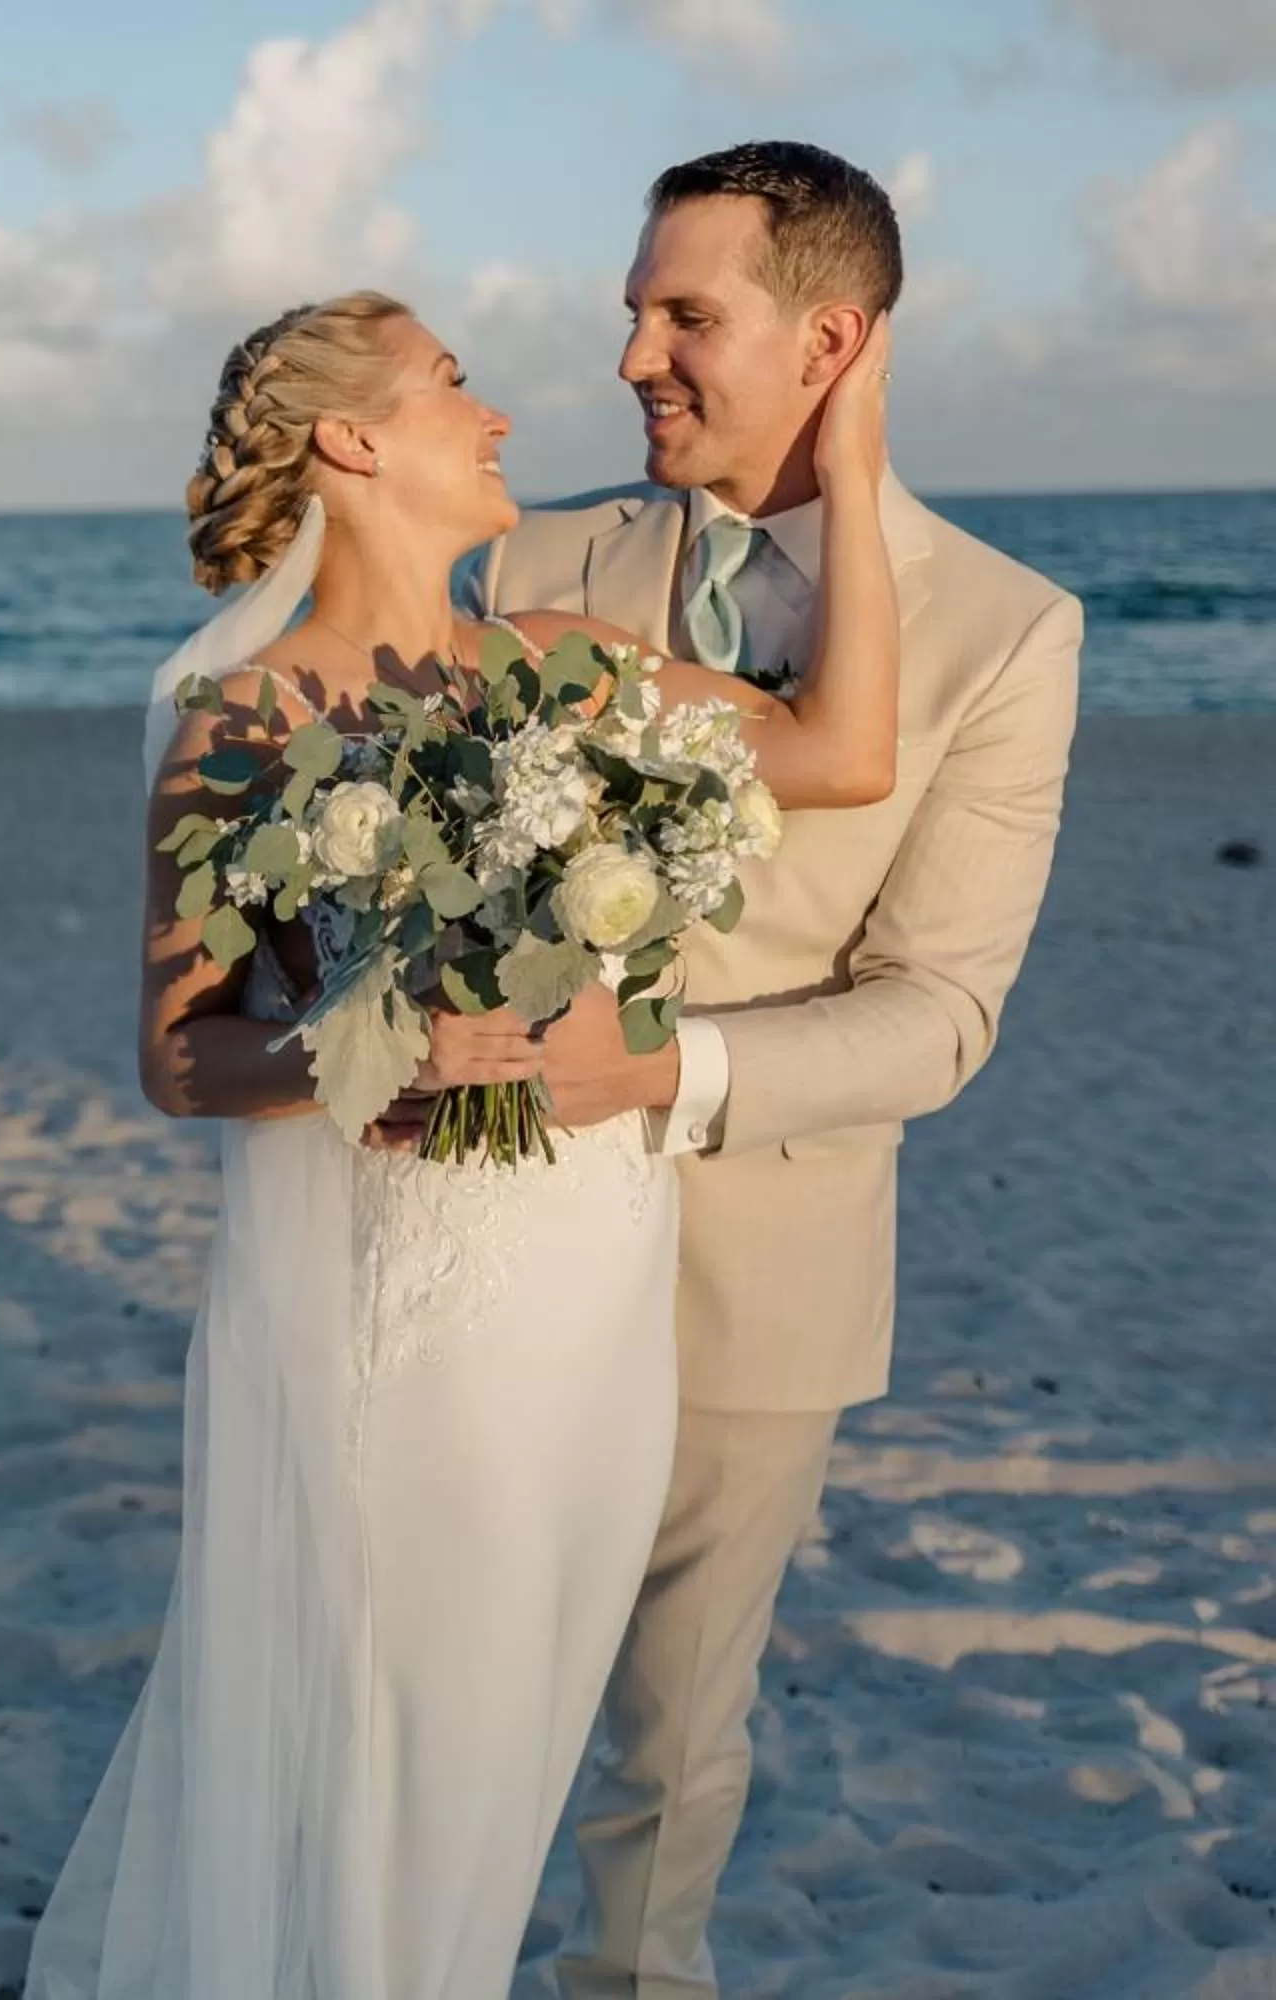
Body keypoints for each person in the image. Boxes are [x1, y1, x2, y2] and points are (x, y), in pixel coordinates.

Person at [21, 254, 896, 1995]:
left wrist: (850, 443)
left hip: (595, 1296)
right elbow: (184, 1059)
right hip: (405, 1317)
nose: (497, 411)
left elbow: (844, 750)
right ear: (352, 440)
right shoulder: (244, 717)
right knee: (392, 1735)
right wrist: (373, 1043)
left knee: (509, 1739)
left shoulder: (561, 666)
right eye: (451, 383)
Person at [468, 140, 1084, 2000]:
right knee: (444, 1700)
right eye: (632, 312)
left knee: (670, 1757)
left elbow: (938, 1012)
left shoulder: (1004, 633)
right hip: (478, 1241)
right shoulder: (532, 562)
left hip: (763, 1270)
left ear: (834, 338)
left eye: (685, 315)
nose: (636, 356)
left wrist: (656, 1070)